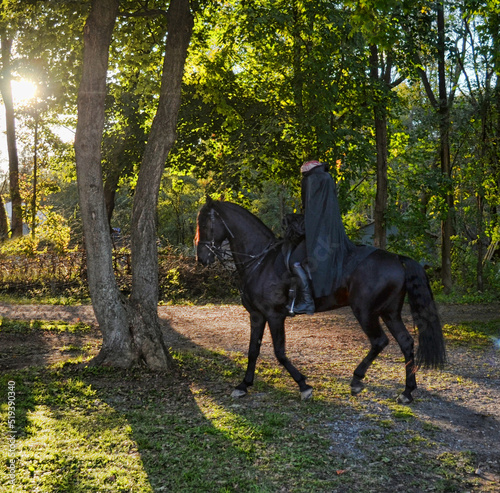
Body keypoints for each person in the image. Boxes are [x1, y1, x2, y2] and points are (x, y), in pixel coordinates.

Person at [289, 160, 355, 315]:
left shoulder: (312, 180)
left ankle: (306, 301)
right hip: (331, 233)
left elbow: (311, 212)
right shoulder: (326, 178)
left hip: (318, 234)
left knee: (295, 261)